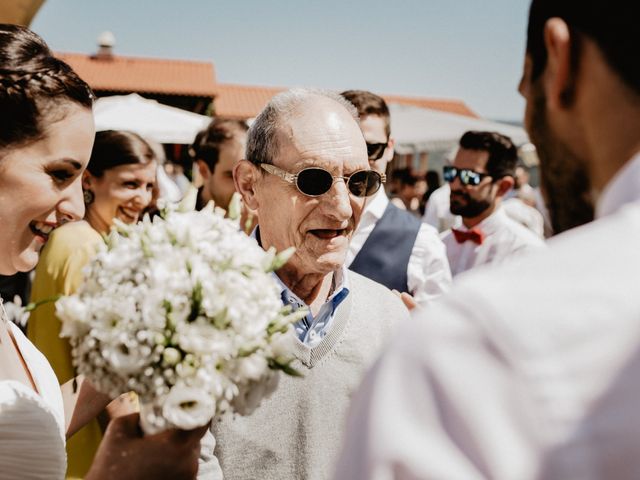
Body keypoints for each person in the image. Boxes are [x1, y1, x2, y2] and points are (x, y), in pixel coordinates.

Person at [335, 0, 640, 478]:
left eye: (524, 87)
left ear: (558, 63)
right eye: (452, 172)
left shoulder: (473, 345)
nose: (456, 183)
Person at [0, 23, 205, 479]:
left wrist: (124, 360)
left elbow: (20, 435)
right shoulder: (79, 247)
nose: (75, 207)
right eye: (59, 174)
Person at [206, 88, 410, 480]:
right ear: (249, 186)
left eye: (359, 182)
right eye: (313, 181)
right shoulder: (198, 312)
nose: (341, 206)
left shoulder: (391, 319)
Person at [27, 130, 158, 478]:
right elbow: (98, 367)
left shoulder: (74, 239)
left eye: (148, 186)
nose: (142, 198)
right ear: (91, 181)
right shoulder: (85, 247)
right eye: (129, 184)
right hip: (84, 456)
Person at [341, 90, 451, 306]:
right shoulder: (300, 224)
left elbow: (438, 329)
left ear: (390, 148)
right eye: (346, 148)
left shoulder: (423, 242)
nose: (359, 160)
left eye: (370, 148)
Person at [440, 130, 545, 277]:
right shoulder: (439, 244)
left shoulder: (526, 251)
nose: (455, 185)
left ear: (503, 186)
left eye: (469, 177)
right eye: (451, 173)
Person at [190, 118, 248, 211]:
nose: (246, 189)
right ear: (204, 170)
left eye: (250, 177)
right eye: (233, 177)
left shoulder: (266, 221)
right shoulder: (169, 219)